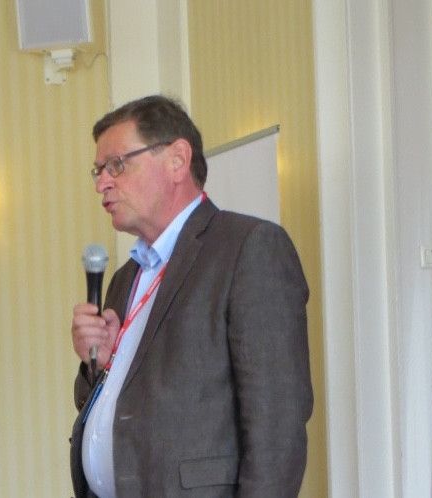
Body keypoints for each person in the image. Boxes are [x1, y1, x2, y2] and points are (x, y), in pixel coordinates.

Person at [69, 95, 312, 497]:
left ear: (177, 160)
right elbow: (109, 404)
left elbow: (277, 427)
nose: (102, 183)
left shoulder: (249, 248)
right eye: (98, 170)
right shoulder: (126, 277)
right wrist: (97, 362)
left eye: (116, 165)